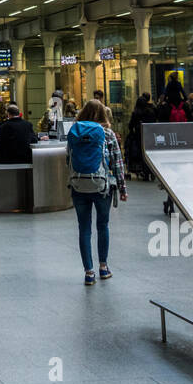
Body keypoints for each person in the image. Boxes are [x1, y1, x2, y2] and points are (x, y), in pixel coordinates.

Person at [65, 99, 126, 285]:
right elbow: (117, 162)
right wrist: (122, 187)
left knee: (84, 228)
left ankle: (89, 272)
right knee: (102, 226)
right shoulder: (107, 133)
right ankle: (103, 267)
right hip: (102, 185)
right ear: (103, 114)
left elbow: (68, 158)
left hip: (78, 184)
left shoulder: (74, 132)